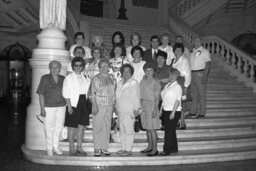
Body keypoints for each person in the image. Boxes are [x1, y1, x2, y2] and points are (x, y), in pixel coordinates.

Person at [37, 60, 66, 156]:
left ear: (60, 69)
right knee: (49, 128)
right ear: (49, 69)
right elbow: (41, 94)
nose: (54, 69)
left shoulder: (63, 78)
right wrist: (42, 109)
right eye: (52, 67)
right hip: (49, 107)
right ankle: (49, 148)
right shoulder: (45, 78)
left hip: (61, 106)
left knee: (59, 127)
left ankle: (56, 147)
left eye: (56, 67)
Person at [62, 57, 91, 155]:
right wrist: (69, 106)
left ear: (83, 66)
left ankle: (79, 147)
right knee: (72, 127)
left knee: (81, 127)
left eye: (80, 65)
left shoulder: (85, 77)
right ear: (73, 66)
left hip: (84, 103)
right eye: (76, 65)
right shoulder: (69, 78)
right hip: (74, 104)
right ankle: (71, 147)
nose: (78, 67)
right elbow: (65, 93)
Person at [89, 59, 116, 156]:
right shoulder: (96, 78)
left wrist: (113, 105)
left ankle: (104, 147)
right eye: (102, 66)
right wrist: (94, 105)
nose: (104, 68)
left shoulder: (112, 78)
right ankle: (97, 148)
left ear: (108, 67)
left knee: (107, 126)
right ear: (99, 68)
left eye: (106, 66)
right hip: (99, 104)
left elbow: (114, 93)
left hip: (109, 105)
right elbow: (91, 93)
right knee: (97, 126)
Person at [115, 64, 141, 156]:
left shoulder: (134, 83)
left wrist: (136, 109)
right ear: (121, 72)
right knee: (122, 131)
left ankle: (128, 149)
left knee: (129, 131)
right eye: (124, 71)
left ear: (131, 73)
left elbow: (136, 97)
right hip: (120, 111)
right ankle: (123, 148)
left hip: (129, 111)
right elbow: (117, 97)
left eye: (128, 71)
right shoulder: (120, 83)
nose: (126, 73)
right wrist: (116, 107)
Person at [159, 68, 182, 156]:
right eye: (171, 75)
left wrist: (173, 112)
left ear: (177, 77)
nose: (172, 77)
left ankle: (166, 150)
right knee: (171, 131)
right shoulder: (167, 85)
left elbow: (177, 100)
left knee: (168, 131)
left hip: (174, 112)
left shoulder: (177, 87)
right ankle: (174, 148)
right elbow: (164, 99)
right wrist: (161, 109)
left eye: (174, 75)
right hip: (165, 110)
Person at [140, 62, 161, 156]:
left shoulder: (155, 82)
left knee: (152, 129)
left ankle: (155, 149)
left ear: (153, 72)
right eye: (146, 70)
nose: (148, 72)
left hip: (151, 105)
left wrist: (155, 109)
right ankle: (149, 147)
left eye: (150, 70)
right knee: (147, 128)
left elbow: (157, 98)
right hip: (143, 104)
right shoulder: (142, 80)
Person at [187, 37, 211, 119]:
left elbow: (208, 64)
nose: (196, 42)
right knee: (194, 95)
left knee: (201, 94)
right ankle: (193, 112)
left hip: (200, 74)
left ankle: (202, 113)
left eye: (198, 41)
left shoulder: (205, 51)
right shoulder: (192, 52)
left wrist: (205, 75)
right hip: (192, 74)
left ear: (201, 42)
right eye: (195, 41)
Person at [172, 43, 191, 129]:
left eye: (180, 50)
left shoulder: (184, 60)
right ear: (174, 51)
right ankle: (177, 121)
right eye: (176, 50)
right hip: (174, 84)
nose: (178, 51)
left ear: (182, 51)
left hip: (182, 83)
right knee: (175, 103)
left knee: (182, 103)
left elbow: (188, 74)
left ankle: (182, 122)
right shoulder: (173, 60)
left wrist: (186, 86)